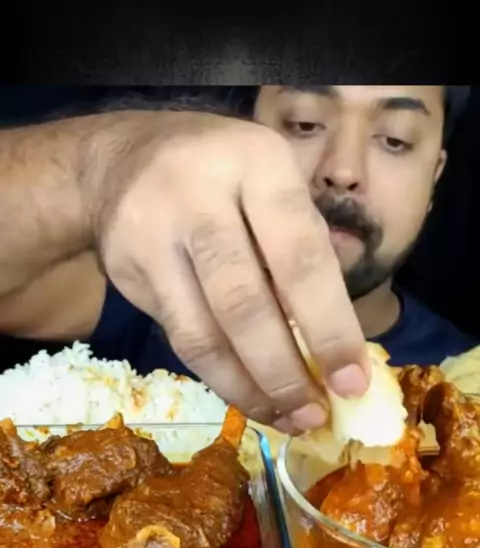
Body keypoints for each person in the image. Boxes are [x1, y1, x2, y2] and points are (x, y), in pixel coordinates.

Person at [0, 85, 475, 434]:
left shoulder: (464, 382)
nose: (343, 169)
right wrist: (96, 168)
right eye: (305, 123)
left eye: (395, 140)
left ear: (434, 177)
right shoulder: (147, 284)